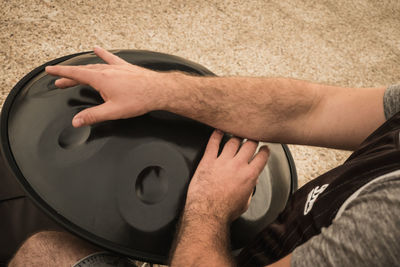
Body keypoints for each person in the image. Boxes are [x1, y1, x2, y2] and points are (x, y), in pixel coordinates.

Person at [4, 46, 400, 266]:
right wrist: (164, 91)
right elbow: (311, 108)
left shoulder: (388, 224)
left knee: (47, 253)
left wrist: (209, 206)